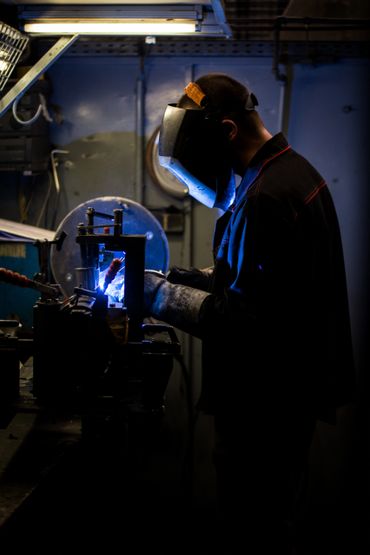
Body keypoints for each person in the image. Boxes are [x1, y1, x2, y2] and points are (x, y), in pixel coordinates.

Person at [143, 73, 355, 554]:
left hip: (263, 414)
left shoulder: (265, 198)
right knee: (268, 524)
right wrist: (174, 276)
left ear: (227, 132)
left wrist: (153, 295)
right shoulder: (290, 173)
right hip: (284, 401)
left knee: (254, 530)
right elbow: (254, 280)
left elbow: (238, 317)